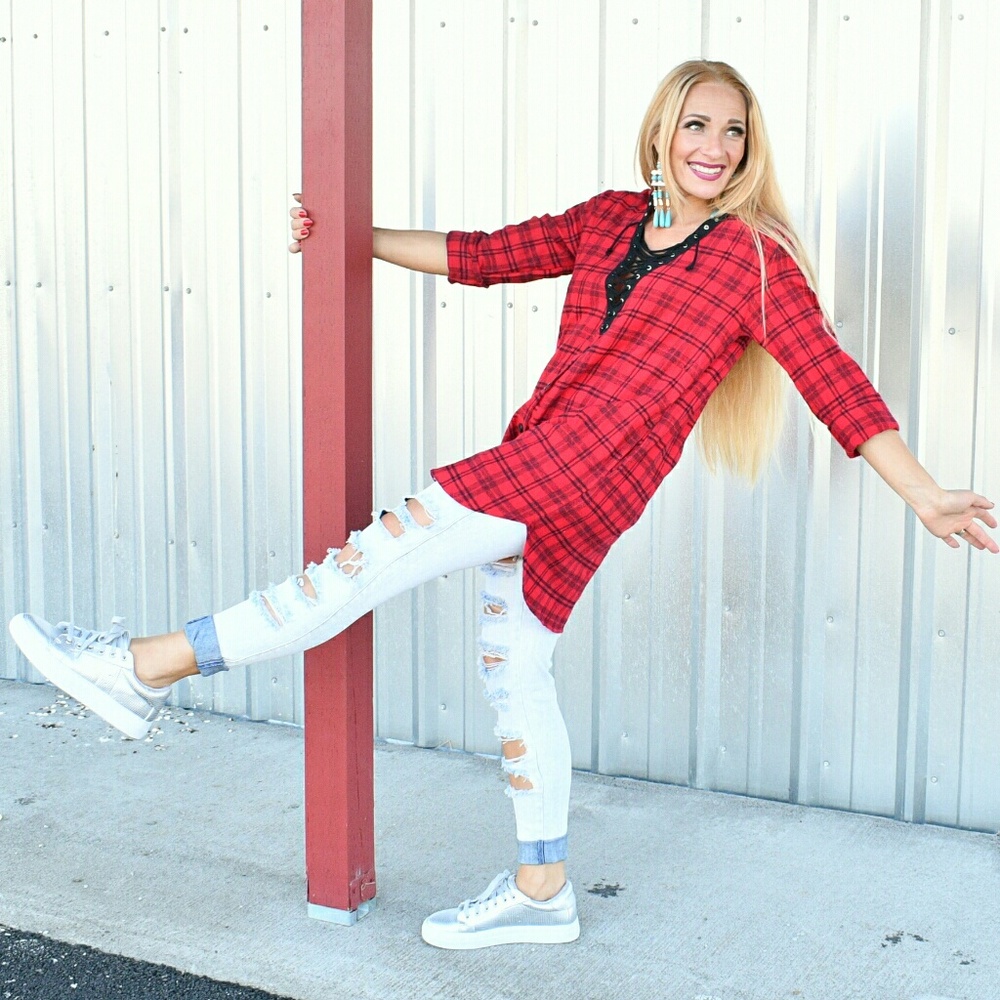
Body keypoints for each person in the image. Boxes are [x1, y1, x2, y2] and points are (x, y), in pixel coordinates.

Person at [9, 60, 997, 951]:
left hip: (572, 475)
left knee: (354, 570)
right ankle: (542, 889)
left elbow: (832, 379)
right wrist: (349, 237)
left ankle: (144, 667)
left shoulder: (751, 258)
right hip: (550, 463)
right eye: (698, 125)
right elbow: (480, 254)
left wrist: (923, 494)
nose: (716, 147)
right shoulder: (609, 218)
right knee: (516, 673)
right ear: (661, 131)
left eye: (734, 131)